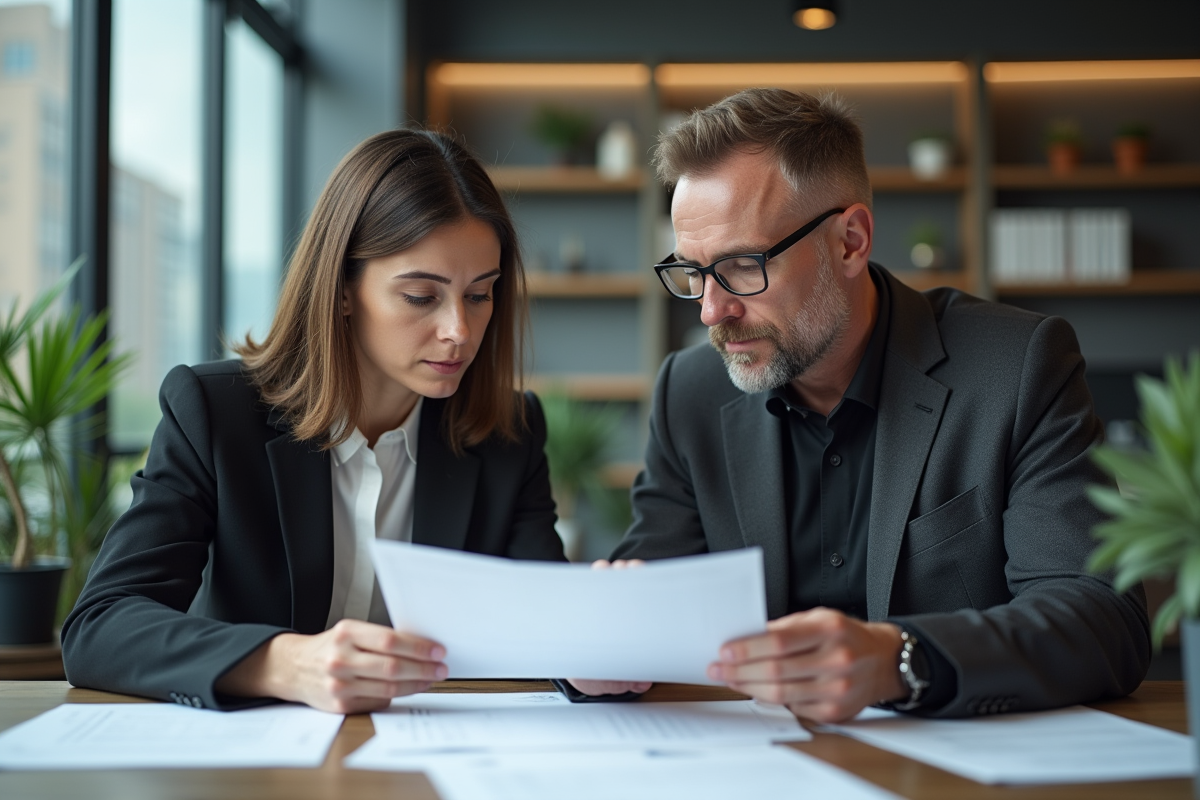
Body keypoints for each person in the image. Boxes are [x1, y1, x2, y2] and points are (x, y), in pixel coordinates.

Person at [607, 88, 1150, 721]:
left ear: (850, 241)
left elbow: (1102, 618)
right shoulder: (689, 393)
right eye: (693, 272)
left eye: (742, 266)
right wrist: (600, 651)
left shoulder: (1019, 365)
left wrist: (902, 658)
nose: (711, 310)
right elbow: (642, 597)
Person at [62, 129, 567, 714]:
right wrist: (285, 662)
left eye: (480, 295)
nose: (459, 330)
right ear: (344, 290)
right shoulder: (214, 413)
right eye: (421, 297)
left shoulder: (509, 431)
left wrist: (595, 658)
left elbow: (548, 625)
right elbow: (100, 626)